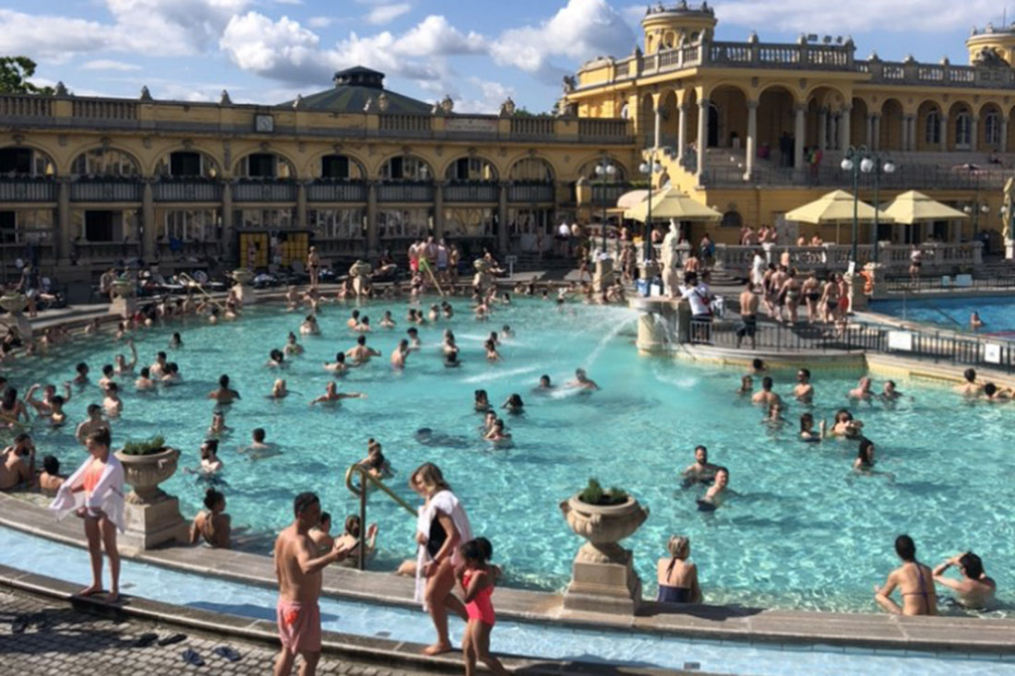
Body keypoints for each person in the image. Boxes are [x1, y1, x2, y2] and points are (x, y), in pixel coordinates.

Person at [273, 492, 352, 676]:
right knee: (311, 656)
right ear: (301, 515)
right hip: (301, 608)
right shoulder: (300, 540)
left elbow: (278, 569)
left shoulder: (284, 535)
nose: (319, 516)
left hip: (286, 604)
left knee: (288, 651)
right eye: (314, 512)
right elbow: (306, 567)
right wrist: (332, 556)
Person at [50, 428, 124, 602]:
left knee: (110, 548)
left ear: (103, 446)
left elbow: (103, 488)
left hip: (105, 509)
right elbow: (88, 483)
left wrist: (91, 504)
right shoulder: (93, 460)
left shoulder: (113, 465)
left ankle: (114, 588)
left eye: (92, 447)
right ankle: (97, 583)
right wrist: (70, 490)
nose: (88, 450)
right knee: (92, 546)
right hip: (92, 507)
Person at [407, 463, 473, 656]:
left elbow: (454, 536)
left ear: (429, 481)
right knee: (441, 596)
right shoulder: (437, 499)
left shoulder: (440, 503)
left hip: (448, 556)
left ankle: (444, 641)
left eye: (419, 482)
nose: (417, 487)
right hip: (444, 554)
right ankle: (474, 621)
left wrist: (435, 561)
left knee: (432, 597)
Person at [456, 537, 508, 676]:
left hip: (481, 617)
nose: (462, 562)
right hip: (475, 614)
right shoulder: (489, 568)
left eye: (464, 559)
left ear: (472, 560)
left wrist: (458, 579)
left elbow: (467, 598)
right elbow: (497, 573)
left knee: (482, 654)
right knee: (467, 647)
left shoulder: (478, 576)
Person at [874, 534, 937, 616]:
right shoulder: (927, 570)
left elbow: (884, 594)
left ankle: (901, 615)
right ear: (914, 549)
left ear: (897, 553)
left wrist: (878, 590)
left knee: (878, 597)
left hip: (912, 617)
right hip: (933, 615)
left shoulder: (897, 573)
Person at [932, 552, 996, 609]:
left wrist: (950, 562)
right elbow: (981, 572)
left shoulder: (960, 585)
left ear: (964, 570)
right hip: (983, 607)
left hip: (963, 608)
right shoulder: (990, 583)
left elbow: (934, 575)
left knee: (936, 597)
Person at [656, 535, 702, 604]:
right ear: (685, 551)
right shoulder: (690, 567)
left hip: (660, 606)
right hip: (680, 609)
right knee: (699, 596)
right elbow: (696, 595)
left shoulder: (660, 562)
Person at [736, 281, 758, 349]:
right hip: (750, 314)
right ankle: (753, 348)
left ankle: (738, 346)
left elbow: (740, 305)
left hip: (743, 314)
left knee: (741, 333)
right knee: (752, 335)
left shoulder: (742, 295)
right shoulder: (754, 296)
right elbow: (755, 307)